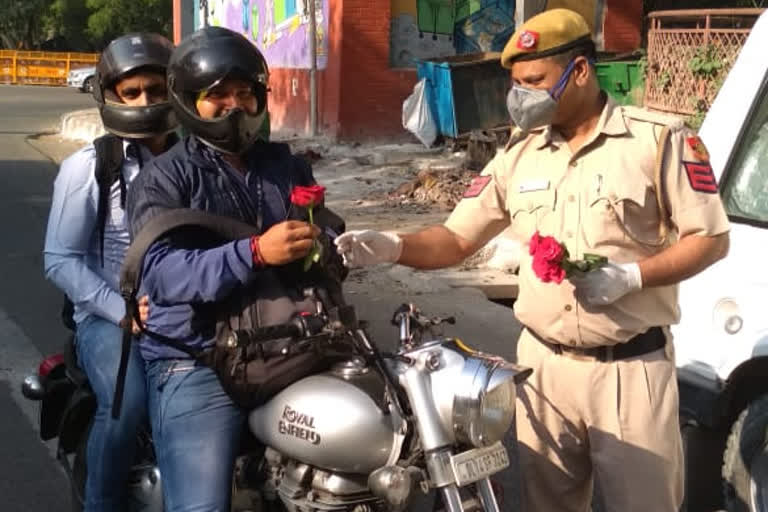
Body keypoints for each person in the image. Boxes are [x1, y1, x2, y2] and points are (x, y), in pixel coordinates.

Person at [334, 9, 730, 512]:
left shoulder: (658, 141)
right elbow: (456, 238)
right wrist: (394, 245)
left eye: (534, 81)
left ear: (580, 71)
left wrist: (633, 276)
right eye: (516, 83)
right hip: (541, 369)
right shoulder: (519, 154)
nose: (520, 95)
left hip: (629, 372)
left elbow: (710, 238)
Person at [125, 26, 324, 511]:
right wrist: (254, 253)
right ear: (190, 102)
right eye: (217, 95)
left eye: (245, 93)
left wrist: (330, 243)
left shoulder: (284, 165)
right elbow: (164, 275)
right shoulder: (164, 176)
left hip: (285, 342)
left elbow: (316, 236)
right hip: (199, 355)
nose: (234, 105)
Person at [43, 33, 177, 511]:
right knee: (128, 406)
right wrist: (118, 309)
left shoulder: (193, 160)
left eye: (157, 90)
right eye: (132, 92)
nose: (146, 101)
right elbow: (59, 258)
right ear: (111, 97)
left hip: (185, 308)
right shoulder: (90, 166)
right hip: (107, 315)